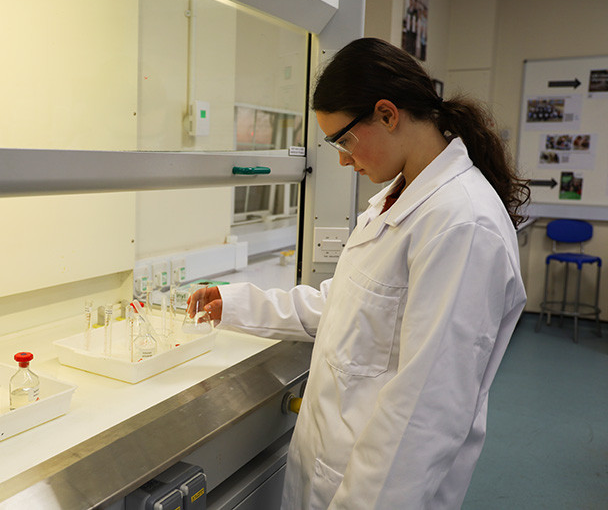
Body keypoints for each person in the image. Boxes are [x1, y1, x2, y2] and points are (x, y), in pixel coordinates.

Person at [189, 38, 529, 509]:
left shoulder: (461, 225)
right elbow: (346, 305)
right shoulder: (396, 200)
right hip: (328, 464)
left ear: (387, 114)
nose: (344, 160)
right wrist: (240, 303)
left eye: (344, 140)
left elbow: (424, 412)